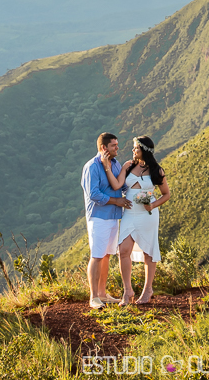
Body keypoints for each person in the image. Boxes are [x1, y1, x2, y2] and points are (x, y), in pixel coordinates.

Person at [103, 135, 170, 304]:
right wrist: (107, 167)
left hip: (147, 215)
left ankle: (148, 290)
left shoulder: (157, 171)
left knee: (149, 252)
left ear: (144, 150)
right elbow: (117, 185)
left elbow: (166, 194)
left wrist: (153, 205)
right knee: (123, 251)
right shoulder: (128, 165)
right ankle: (128, 291)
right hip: (130, 213)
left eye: (136, 148)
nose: (133, 150)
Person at [82, 132, 131, 308]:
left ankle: (102, 294)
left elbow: (121, 186)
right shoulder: (92, 166)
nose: (117, 148)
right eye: (114, 145)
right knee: (96, 255)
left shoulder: (116, 164)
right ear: (104, 148)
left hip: (114, 217)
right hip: (98, 217)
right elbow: (94, 194)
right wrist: (116, 201)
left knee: (106, 255)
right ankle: (93, 297)